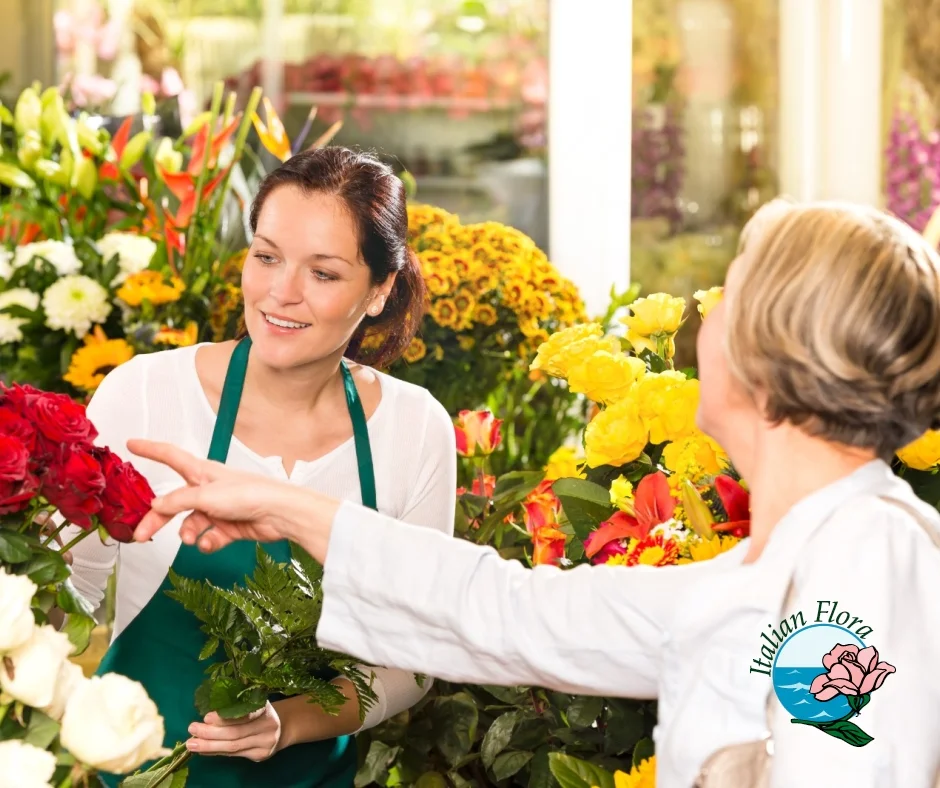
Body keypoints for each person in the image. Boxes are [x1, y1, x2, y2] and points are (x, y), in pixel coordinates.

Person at [129, 201, 940, 787]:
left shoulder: (867, 551)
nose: (707, 325)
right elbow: (517, 615)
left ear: (776, 355)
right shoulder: (789, 560)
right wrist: (287, 507)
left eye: (728, 299)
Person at [65, 147, 457, 787]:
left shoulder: (413, 430)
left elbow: (414, 657)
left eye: (323, 273)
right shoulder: (144, 395)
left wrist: (291, 722)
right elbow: (72, 598)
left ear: (381, 290)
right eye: (266, 256)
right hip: (128, 772)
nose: (282, 292)